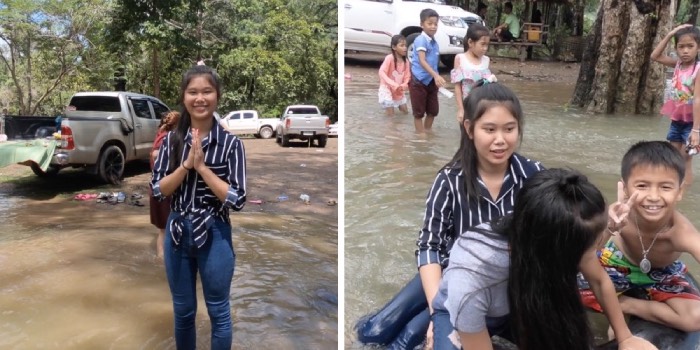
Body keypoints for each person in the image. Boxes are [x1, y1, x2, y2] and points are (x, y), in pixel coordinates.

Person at [356, 82, 544, 349]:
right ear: (469, 129)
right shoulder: (449, 180)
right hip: (450, 273)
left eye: (509, 129)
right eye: (489, 129)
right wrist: (437, 310)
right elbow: (429, 246)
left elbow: (558, 230)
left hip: (502, 282)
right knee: (375, 331)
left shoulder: (533, 176)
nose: (500, 140)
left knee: (410, 336)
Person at [434, 168, 656, 350]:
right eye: (589, 251)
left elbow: (598, 280)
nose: (594, 256)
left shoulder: (555, 233)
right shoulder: (472, 280)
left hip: (521, 299)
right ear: (554, 252)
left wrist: (625, 337)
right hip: (467, 315)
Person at [150, 65, 247, 349]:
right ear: (184, 97)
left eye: (207, 91)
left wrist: (203, 168)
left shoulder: (231, 144)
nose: (200, 98)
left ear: (217, 96)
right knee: (183, 313)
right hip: (178, 231)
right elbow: (158, 191)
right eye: (193, 92)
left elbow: (238, 199)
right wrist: (185, 166)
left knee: (219, 312)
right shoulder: (170, 141)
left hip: (215, 233)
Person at [579, 141, 700, 333]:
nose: (653, 196)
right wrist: (610, 228)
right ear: (625, 188)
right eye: (642, 186)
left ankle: (626, 304)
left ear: (680, 192)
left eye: (665, 187)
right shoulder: (617, 214)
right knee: (565, 290)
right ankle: (616, 302)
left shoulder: (680, 231)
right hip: (615, 262)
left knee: (695, 318)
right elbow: (587, 254)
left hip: (662, 273)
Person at [651, 24, 700, 188]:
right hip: (678, 119)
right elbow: (655, 56)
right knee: (674, 156)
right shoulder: (678, 64)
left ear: (698, 47)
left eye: (690, 46)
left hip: (693, 123)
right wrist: (670, 33)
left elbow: (698, 99)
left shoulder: (698, 69)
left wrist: (696, 131)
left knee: (686, 159)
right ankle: (673, 187)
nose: (685, 51)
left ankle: (683, 193)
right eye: (681, 46)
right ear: (676, 48)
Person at [409, 8, 447, 133]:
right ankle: (420, 136)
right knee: (419, 112)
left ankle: (427, 131)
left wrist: (437, 78)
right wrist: (436, 76)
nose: (433, 27)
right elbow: (422, 60)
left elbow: (434, 63)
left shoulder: (434, 42)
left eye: (435, 24)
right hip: (418, 80)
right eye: (429, 23)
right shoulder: (421, 40)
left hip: (431, 81)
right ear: (422, 24)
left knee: (433, 110)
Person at [150, 110, 181, 258]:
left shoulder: (159, 136)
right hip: (164, 189)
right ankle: (163, 261)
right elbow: (156, 155)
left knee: (163, 230)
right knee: (165, 230)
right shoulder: (167, 140)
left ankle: (161, 261)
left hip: (157, 188)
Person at [451, 23, 496, 124]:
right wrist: (460, 109)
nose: (485, 48)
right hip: (467, 106)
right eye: (482, 44)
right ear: (470, 42)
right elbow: (457, 86)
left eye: (487, 45)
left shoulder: (486, 60)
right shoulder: (460, 58)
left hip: (482, 106)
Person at [378, 34, 411, 116]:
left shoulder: (406, 61)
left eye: (405, 46)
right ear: (394, 47)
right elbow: (381, 72)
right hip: (387, 89)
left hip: (398, 89)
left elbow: (407, 76)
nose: (405, 48)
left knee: (405, 112)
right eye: (402, 45)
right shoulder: (389, 58)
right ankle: (389, 128)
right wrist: (393, 84)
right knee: (390, 114)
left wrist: (404, 85)